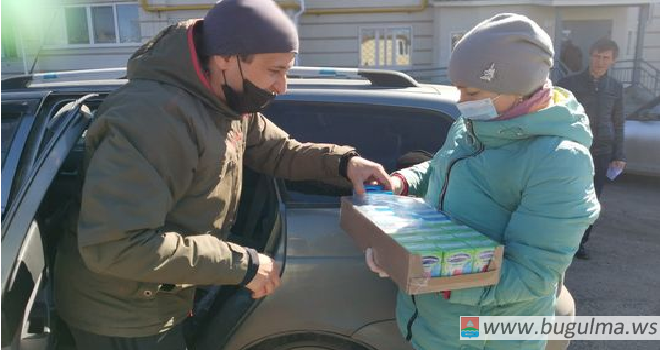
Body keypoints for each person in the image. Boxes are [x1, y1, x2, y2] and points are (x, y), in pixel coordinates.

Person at [53, 0, 391, 349]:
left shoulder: (226, 102)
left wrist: (343, 163)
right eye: (275, 70)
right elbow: (117, 246)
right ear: (226, 58)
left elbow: (276, 151)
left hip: (159, 296)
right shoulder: (152, 119)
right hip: (121, 317)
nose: (282, 86)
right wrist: (242, 265)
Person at [365, 13, 599, 350]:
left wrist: (424, 273)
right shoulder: (473, 126)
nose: (461, 101)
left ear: (517, 87)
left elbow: (531, 275)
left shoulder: (559, 160)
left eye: (471, 90)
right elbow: (443, 169)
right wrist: (400, 182)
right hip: (436, 325)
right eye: (459, 89)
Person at [557, 38, 625, 260]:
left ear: (613, 60)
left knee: (591, 198)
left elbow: (619, 122)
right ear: (590, 55)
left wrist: (619, 155)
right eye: (597, 56)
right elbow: (557, 115)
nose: (600, 61)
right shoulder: (569, 83)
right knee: (567, 194)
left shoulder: (615, 87)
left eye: (606, 57)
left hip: (602, 150)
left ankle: (580, 242)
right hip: (574, 146)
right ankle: (559, 239)